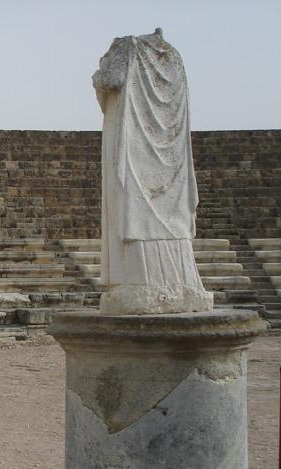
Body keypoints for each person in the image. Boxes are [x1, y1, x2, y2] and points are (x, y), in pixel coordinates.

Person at [93, 28, 213, 315]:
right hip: (170, 162)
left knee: (133, 210)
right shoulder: (174, 59)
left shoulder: (126, 48)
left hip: (133, 150)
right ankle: (181, 283)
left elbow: (111, 79)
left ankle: (138, 281)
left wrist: (97, 76)